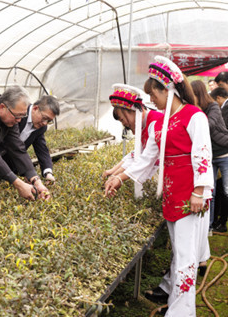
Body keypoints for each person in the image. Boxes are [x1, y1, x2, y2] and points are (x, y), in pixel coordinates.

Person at [105, 56, 213, 316]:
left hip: (190, 197)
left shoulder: (193, 116)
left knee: (186, 262)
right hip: (172, 196)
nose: (150, 100)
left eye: (153, 94)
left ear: (168, 89)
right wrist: (119, 178)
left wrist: (199, 192)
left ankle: (181, 313)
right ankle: (177, 308)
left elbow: (202, 153)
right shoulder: (164, 121)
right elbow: (146, 158)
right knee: (180, 257)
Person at [103, 84, 163, 196]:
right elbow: (137, 154)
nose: (124, 123)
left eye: (122, 119)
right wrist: (114, 174)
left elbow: (147, 158)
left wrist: (119, 178)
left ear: (131, 111)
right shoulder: (143, 125)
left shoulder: (155, 122)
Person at [191, 80, 228, 232]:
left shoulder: (212, 106)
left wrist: (196, 112)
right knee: (208, 192)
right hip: (209, 157)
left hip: (224, 153)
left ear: (198, 94)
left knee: (227, 190)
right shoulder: (195, 109)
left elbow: (209, 125)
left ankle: (222, 223)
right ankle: (209, 226)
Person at [2, 95, 60, 184]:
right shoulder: (19, 113)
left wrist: (48, 173)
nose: (45, 123)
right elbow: (14, 144)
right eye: (45, 118)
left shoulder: (41, 127)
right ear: (35, 108)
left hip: (9, 167)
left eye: (49, 121)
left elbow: (42, 149)